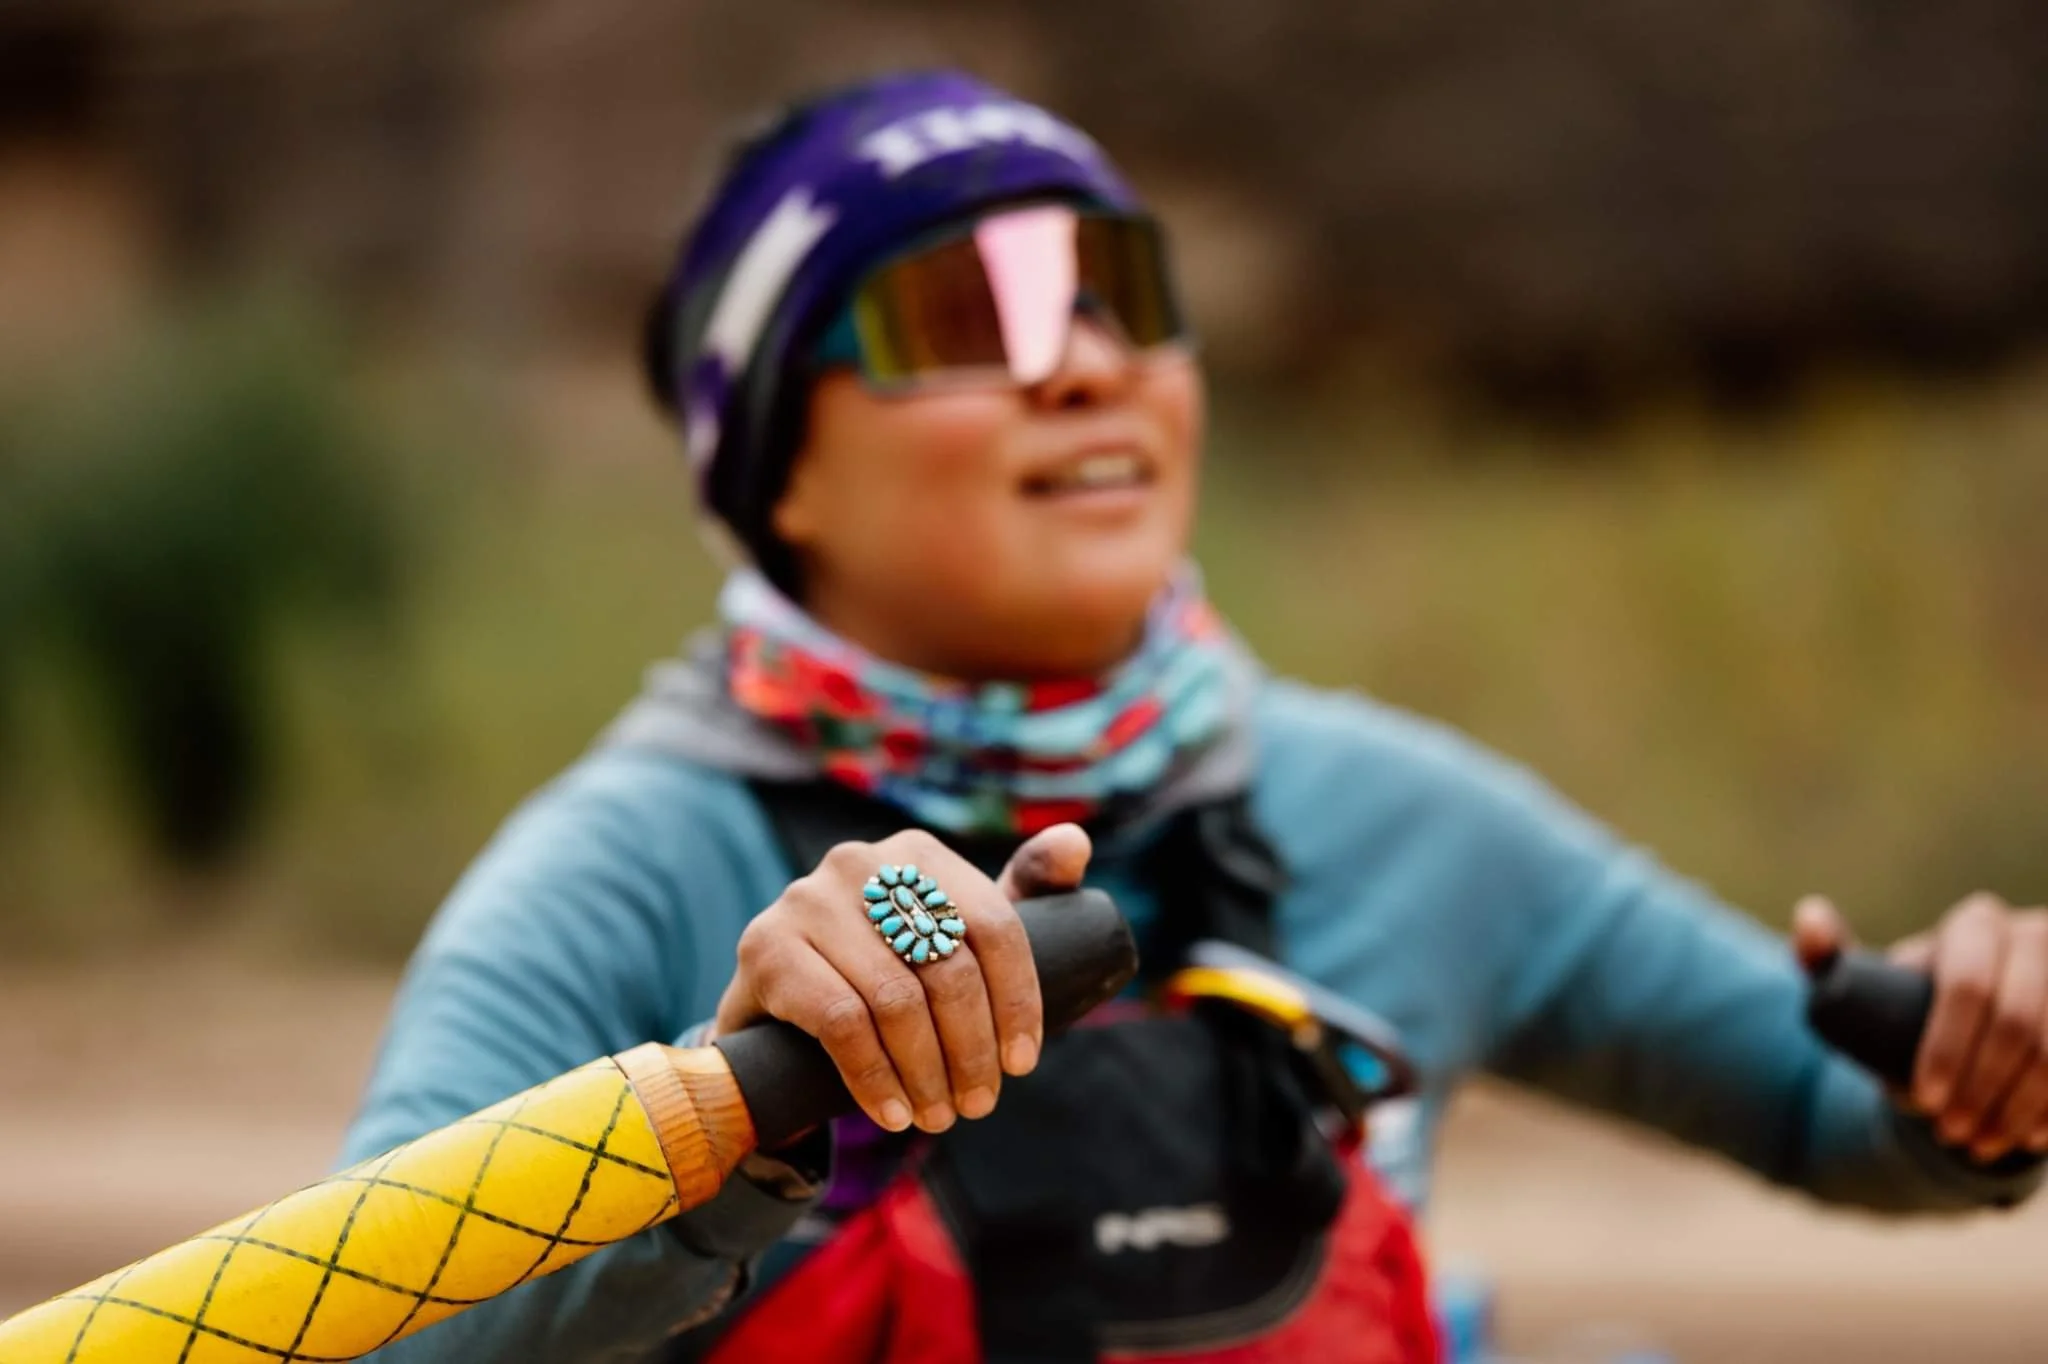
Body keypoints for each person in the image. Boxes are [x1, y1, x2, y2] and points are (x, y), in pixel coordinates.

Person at [342, 70, 2047, 1363]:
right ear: (781, 471)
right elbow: (367, 1330)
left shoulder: (1397, 819)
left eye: (1120, 293)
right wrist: (735, 1122)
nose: (1085, 365)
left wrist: (1983, 1061)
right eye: (962, 316)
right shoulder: (626, 868)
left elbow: (1844, 1121)